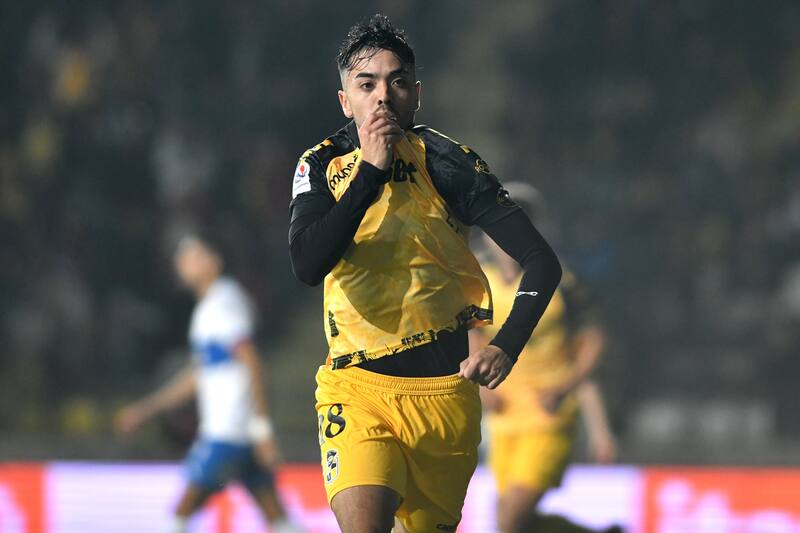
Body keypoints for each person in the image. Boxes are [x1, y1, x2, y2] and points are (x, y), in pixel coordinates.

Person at [288, 14, 562, 533]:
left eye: (396, 82)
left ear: (417, 93)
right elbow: (307, 263)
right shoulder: (320, 165)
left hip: (444, 398)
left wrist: (506, 344)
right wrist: (370, 170)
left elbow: (541, 261)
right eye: (366, 84)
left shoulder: (450, 162)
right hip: (356, 388)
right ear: (346, 100)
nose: (382, 96)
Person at [116, 234, 302, 533]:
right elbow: (196, 378)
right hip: (239, 433)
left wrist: (262, 429)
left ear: (214, 262)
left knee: (182, 510)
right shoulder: (207, 310)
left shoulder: (225, 301)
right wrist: (145, 410)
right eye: (182, 257)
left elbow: (252, 362)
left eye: (193, 255)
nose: (183, 262)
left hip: (228, 432)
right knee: (275, 515)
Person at [472, 182, 620, 533]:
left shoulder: (562, 281)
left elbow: (593, 343)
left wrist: (565, 391)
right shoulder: (478, 278)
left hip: (547, 412)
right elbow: (471, 333)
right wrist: (482, 390)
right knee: (514, 522)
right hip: (503, 415)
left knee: (511, 517)